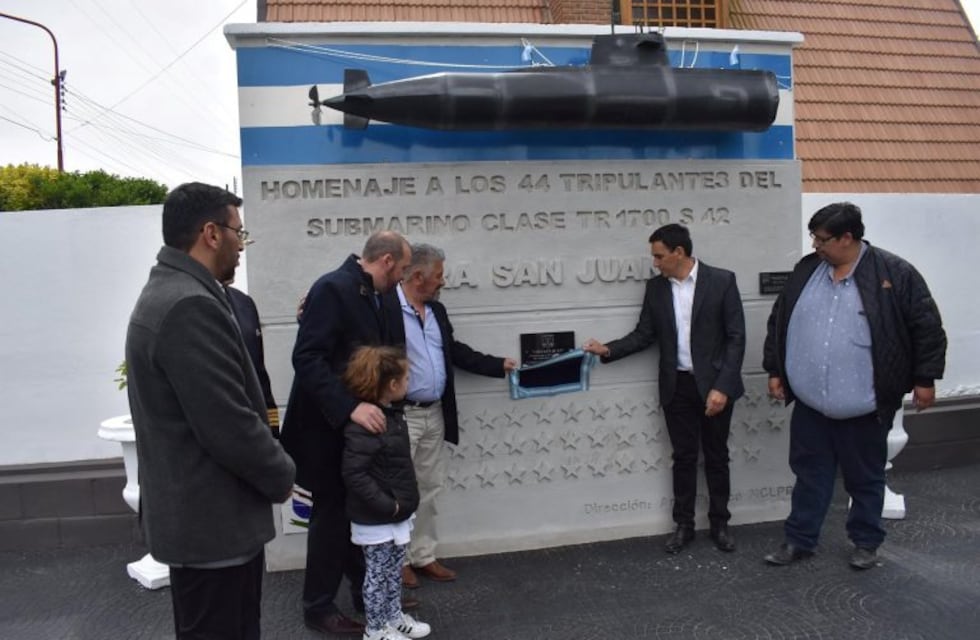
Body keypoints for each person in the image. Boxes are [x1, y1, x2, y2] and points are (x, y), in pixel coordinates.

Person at [125, 182, 296, 639]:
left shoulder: (184, 291)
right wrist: (282, 473)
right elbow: (229, 423)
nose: (243, 244)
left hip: (210, 523)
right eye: (239, 232)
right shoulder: (188, 305)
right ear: (211, 233)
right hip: (211, 525)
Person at [762, 202, 946, 570]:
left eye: (822, 239)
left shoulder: (894, 273)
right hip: (812, 405)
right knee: (809, 476)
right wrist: (776, 369)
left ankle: (865, 542)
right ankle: (799, 540)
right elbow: (779, 319)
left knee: (865, 479)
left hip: (865, 406)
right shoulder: (808, 269)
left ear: (848, 238)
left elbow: (926, 328)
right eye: (813, 237)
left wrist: (925, 380)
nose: (815, 245)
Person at [583, 223, 746, 554]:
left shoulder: (722, 281)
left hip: (714, 386)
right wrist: (609, 350)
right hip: (677, 385)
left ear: (679, 252)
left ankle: (720, 524)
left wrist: (723, 387)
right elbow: (644, 334)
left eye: (659, 256)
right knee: (683, 458)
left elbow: (736, 337)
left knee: (717, 457)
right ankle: (683, 525)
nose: (655, 262)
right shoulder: (656, 288)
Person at [281, 231, 412, 636]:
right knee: (331, 518)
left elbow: (388, 357)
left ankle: (366, 595)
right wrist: (350, 407)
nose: (405, 277)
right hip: (326, 429)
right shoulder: (331, 289)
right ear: (387, 260)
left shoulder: (386, 295)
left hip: (367, 430)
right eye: (404, 268)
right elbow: (307, 358)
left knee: (361, 513)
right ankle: (318, 608)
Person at [382, 244, 517, 587]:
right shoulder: (384, 308)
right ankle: (397, 562)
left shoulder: (437, 311)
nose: (443, 281)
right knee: (397, 491)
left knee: (429, 488)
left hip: (434, 414)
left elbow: (453, 351)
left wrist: (497, 365)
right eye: (439, 275)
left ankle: (422, 555)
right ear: (417, 277)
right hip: (401, 416)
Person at [341, 346, 431, 640]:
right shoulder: (367, 426)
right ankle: (376, 630)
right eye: (406, 378)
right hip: (378, 518)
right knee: (378, 577)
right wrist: (387, 506)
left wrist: (399, 506)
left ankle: (393, 618)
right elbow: (354, 473)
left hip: (395, 513)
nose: (409, 383)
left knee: (392, 571)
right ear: (392, 385)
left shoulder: (393, 415)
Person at [225, 282, 279, 436]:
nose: (240, 255)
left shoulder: (244, 302)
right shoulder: (188, 303)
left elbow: (260, 374)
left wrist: (273, 430)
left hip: (254, 432)